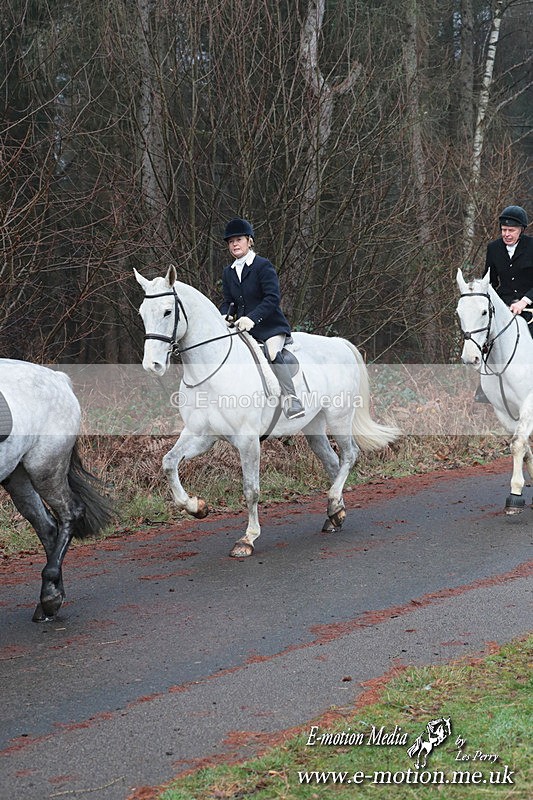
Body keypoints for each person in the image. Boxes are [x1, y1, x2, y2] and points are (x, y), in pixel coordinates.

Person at [219, 217, 305, 419]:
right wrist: (224, 315)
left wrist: (252, 318)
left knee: (272, 353)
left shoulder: (262, 266)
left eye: (238, 239)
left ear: (249, 241)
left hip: (270, 327)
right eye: (230, 241)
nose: (234, 244)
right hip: (243, 329)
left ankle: (292, 401)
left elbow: (272, 298)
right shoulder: (228, 272)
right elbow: (228, 301)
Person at [475, 204, 533, 402]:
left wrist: (524, 301)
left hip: (530, 303)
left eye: (511, 230)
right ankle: (484, 388)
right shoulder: (493, 248)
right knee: (486, 339)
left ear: (521, 230)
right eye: (504, 230)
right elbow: (489, 281)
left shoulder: (532, 247)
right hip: (503, 304)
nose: (506, 234)